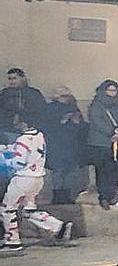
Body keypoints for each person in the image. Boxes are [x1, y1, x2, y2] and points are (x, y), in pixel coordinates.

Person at [1, 113, 71, 251]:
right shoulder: (39, 135)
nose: (15, 124)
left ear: (24, 124)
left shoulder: (23, 139)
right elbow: (22, 150)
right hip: (37, 179)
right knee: (28, 211)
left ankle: (12, 242)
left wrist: (3, 160)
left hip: (22, 179)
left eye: (17, 122)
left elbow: (18, 162)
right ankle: (58, 227)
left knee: (7, 209)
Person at [86, 79, 118, 209]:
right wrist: (112, 132)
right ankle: (104, 196)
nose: (112, 93)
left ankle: (114, 194)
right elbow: (97, 121)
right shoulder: (97, 105)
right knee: (103, 171)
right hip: (102, 144)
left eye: (114, 90)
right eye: (109, 90)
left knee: (116, 171)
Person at [44, 87, 89, 204]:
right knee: (58, 172)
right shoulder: (50, 109)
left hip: (72, 146)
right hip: (57, 146)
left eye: (67, 96)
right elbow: (47, 128)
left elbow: (82, 128)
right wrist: (62, 121)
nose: (66, 99)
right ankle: (58, 196)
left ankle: (67, 196)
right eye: (63, 96)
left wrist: (77, 123)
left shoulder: (74, 108)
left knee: (71, 172)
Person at [0, 68, 48, 134]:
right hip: (8, 129)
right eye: (10, 79)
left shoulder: (33, 93)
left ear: (23, 78)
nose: (12, 81)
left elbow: (42, 111)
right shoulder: (4, 93)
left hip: (30, 129)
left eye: (14, 78)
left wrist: (28, 123)